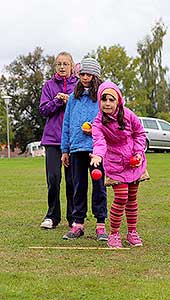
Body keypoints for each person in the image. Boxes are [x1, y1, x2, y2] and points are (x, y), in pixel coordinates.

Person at [90, 81, 149, 248]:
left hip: (134, 161)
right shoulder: (98, 123)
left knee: (132, 198)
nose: (107, 103)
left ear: (118, 101)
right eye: (104, 99)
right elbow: (99, 142)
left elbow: (139, 134)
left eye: (111, 99)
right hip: (115, 163)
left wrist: (138, 152)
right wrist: (98, 155)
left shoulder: (129, 115)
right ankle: (114, 234)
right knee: (121, 197)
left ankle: (132, 233)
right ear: (99, 101)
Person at [61, 58, 108, 241]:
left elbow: (109, 121)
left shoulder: (102, 97)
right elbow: (66, 124)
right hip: (76, 149)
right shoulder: (73, 97)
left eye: (89, 74)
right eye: (82, 74)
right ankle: (78, 225)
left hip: (97, 150)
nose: (85, 77)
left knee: (99, 187)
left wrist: (94, 129)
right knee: (78, 187)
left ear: (96, 75)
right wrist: (65, 149)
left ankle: (100, 226)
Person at [39, 51, 78, 229]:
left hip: (73, 140)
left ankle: (74, 218)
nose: (62, 67)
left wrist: (69, 101)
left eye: (66, 64)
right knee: (53, 178)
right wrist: (57, 100)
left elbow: (82, 109)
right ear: (55, 67)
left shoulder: (79, 85)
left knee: (72, 180)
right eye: (59, 64)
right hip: (53, 140)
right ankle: (52, 216)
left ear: (72, 66)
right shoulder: (48, 85)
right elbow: (44, 110)